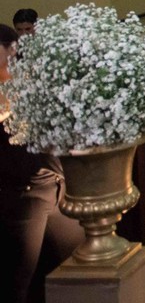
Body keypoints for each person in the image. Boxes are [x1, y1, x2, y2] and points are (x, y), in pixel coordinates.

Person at [1, 24, 84, 303]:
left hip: (56, 186)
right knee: (18, 278)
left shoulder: (29, 83)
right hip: (24, 195)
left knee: (75, 263)